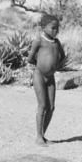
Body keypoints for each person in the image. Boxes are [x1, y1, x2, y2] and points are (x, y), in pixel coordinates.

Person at [27, 14, 66, 147]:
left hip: (51, 77)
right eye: (53, 28)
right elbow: (30, 58)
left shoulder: (57, 42)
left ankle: (43, 135)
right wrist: (40, 66)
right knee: (42, 105)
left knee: (51, 107)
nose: (56, 31)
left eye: (58, 28)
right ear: (44, 28)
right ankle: (38, 137)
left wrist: (55, 66)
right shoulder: (39, 41)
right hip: (39, 75)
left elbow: (63, 56)